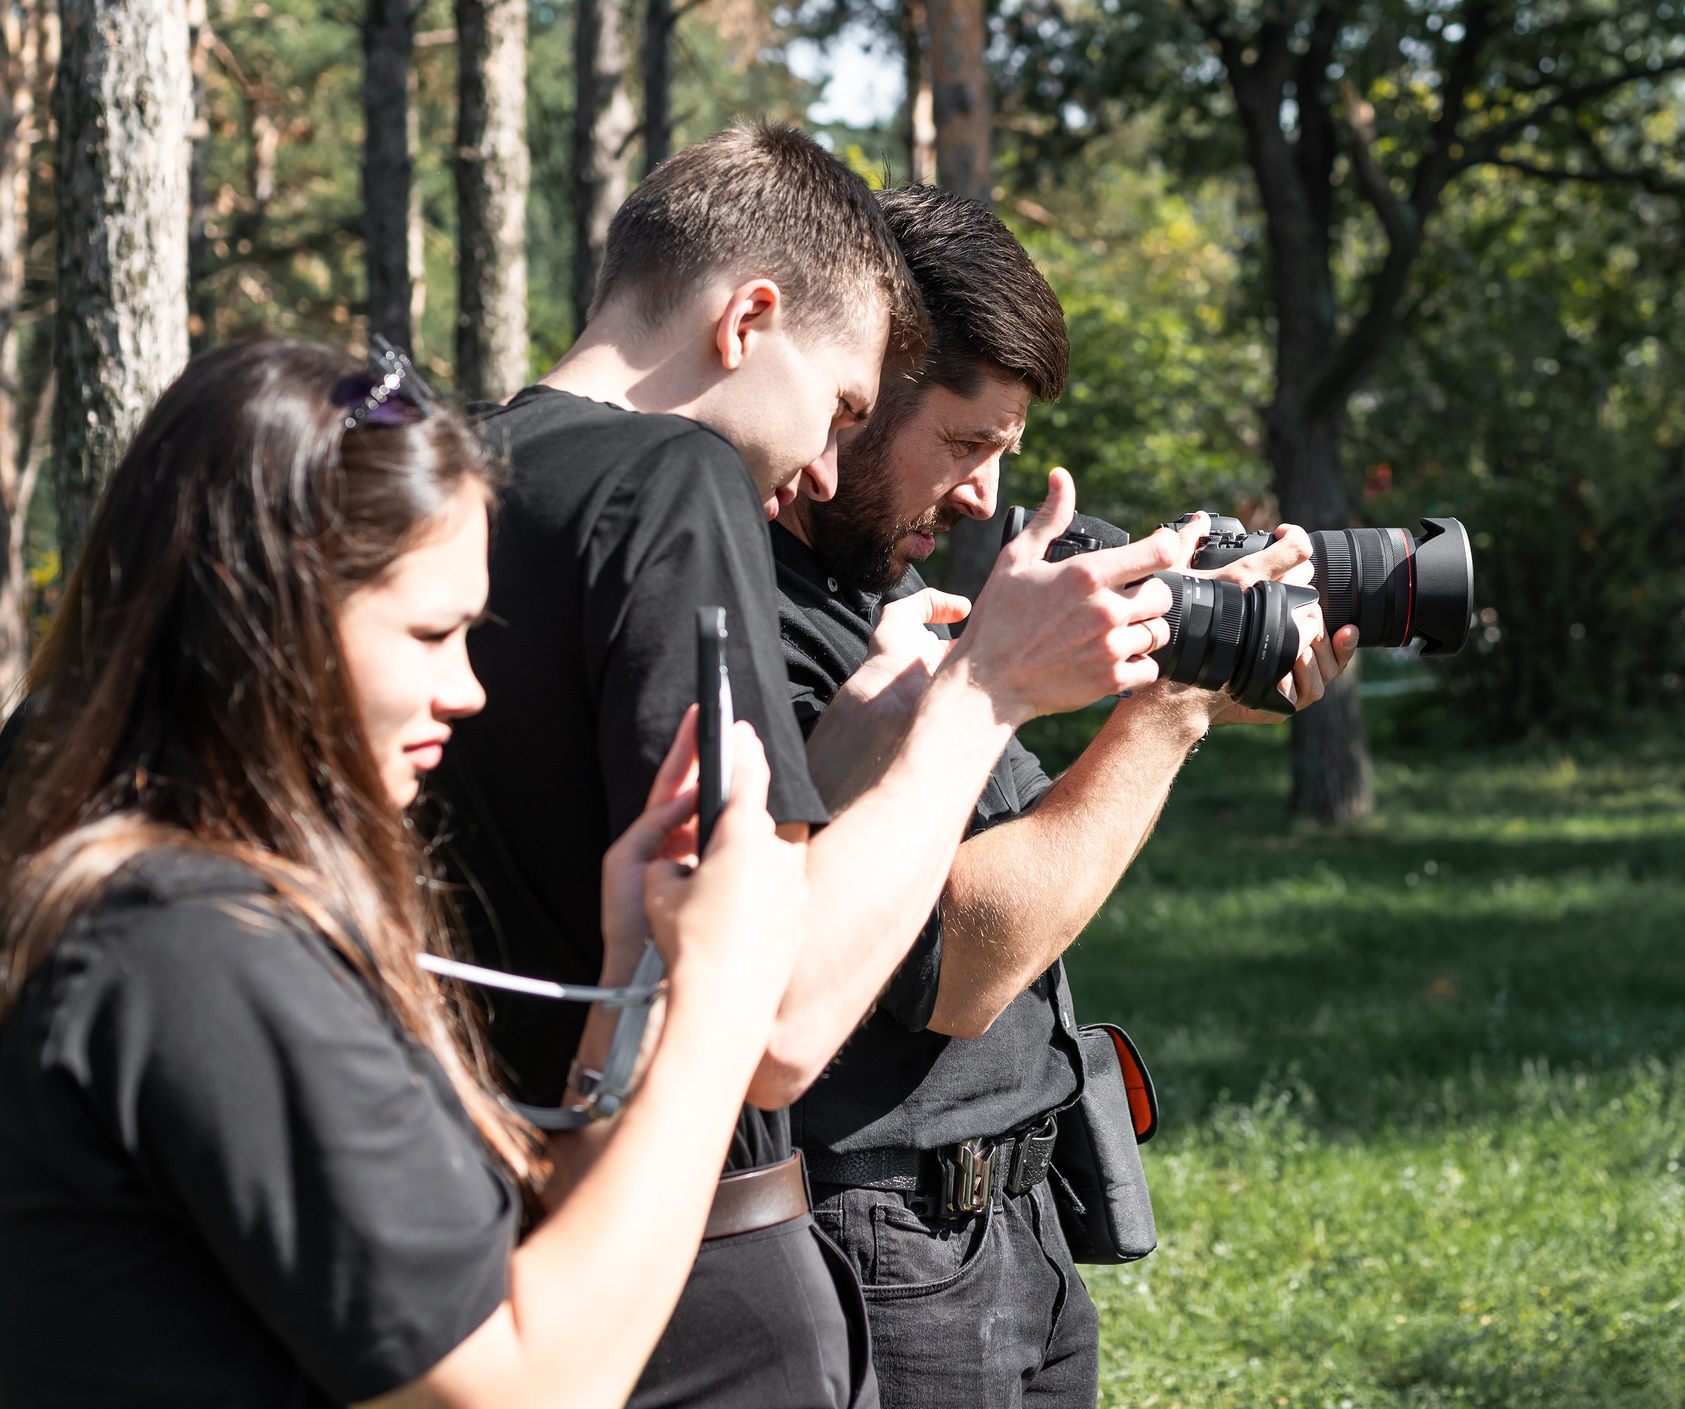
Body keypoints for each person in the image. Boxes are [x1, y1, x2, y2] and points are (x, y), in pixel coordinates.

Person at [431, 124, 1188, 1409]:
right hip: (702, 1268)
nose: (822, 468)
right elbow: (772, 1023)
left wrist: (841, 746)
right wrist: (983, 692)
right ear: (750, 317)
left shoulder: (437, 472)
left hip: (483, 1238)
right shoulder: (670, 478)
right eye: (841, 405)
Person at [0, 338, 809, 1409]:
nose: (466, 687)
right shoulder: (188, 947)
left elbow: (494, 1266)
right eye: (431, 632)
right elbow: (522, 1385)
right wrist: (724, 993)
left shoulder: (193, 914)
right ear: (264, 610)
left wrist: (638, 972)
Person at [775, 185, 1360, 1409]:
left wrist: (1190, 683)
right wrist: (1172, 704)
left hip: (1015, 1220)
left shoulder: (878, 594)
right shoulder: (776, 616)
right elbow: (969, 960)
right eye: (964, 444)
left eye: (1003, 452)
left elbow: (1025, 832)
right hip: (889, 1239)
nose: (984, 496)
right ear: (852, 390)